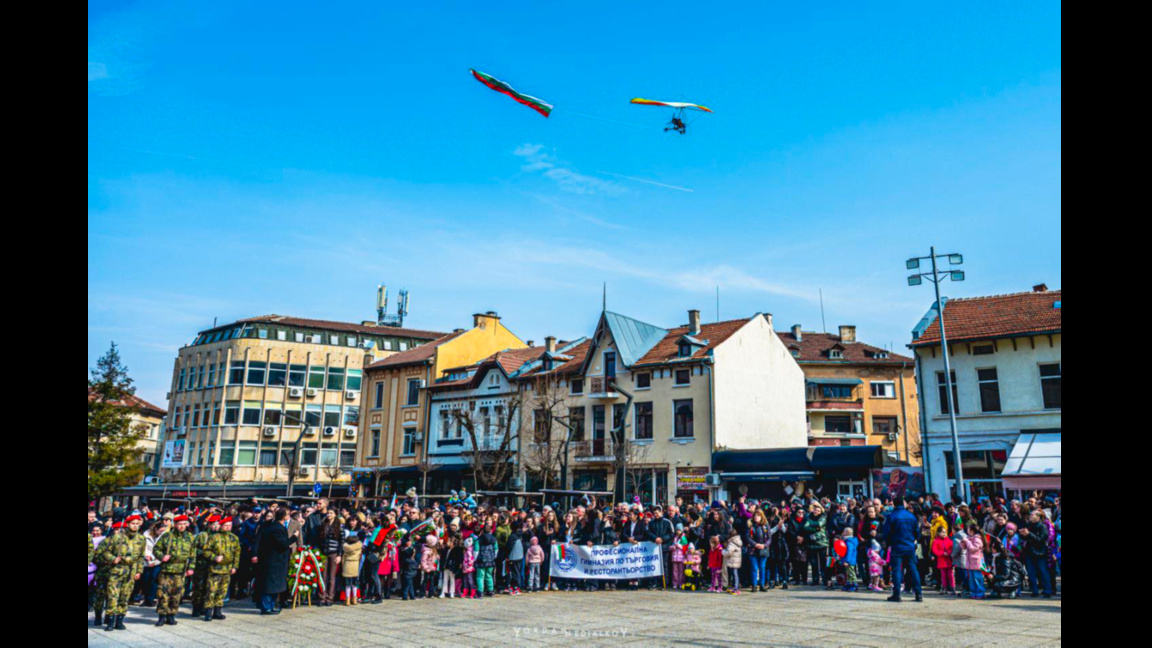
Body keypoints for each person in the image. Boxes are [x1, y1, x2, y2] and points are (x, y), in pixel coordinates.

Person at [94, 515, 146, 632]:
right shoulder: (117, 537)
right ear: (127, 524)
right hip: (116, 571)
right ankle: (110, 621)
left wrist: (139, 571)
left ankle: (119, 621)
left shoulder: (141, 539)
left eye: (137, 524)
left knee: (125, 596)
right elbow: (105, 552)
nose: (135, 526)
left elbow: (141, 557)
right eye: (133, 523)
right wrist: (113, 558)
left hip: (130, 572)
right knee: (113, 596)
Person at [152, 515, 195, 626]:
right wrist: (162, 557)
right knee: (163, 593)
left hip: (181, 571)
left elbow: (193, 554)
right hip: (167, 570)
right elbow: (156, 549)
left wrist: (191, 568)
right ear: (175, 525)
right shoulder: (167, 536)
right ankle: (162, 616)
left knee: (177, 594)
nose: (182, 526)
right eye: (180, 524)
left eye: (184, 524)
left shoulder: (190, 537)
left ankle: (171, 615)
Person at [882, 497, 922, 603]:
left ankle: (897, 594)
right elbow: (917, 532)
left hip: (897, 546)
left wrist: (889, 543)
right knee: (913, 569)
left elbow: (886, 533)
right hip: (909, 546)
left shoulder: (891, 516)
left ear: (894, 505)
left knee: (896, 570)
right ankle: (918, 594)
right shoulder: (911, 516)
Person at [201, 517, 240, 622]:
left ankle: (217, 611)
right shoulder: (214, 537)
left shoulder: (234, 538)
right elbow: (206, 551)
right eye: (226, 525)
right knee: (211, 590)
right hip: (215, 568)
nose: (228, 528)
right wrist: (214, 557)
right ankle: (208, 611)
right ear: (221, 525)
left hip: (227, 569)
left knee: (222, 591)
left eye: (230, 526)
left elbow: (237, 553)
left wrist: (235, 566)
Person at [255, 508, 292, 616]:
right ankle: (266, 607)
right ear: (284, 516)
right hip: (273, 561)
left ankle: (271, 606)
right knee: (269, 585)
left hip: (277, 561)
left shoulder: (276, 526)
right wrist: (294, 536)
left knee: (275, 585)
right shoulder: (276, 528)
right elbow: (284, 544)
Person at [1020, 511, 1054, 598]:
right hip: (1029, 552)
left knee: (1043, 571)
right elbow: (1027, 538)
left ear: (1038, 517)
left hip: (1039, 553)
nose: (1030, 516)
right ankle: (1034, 591)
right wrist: (1023, 534)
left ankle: (1047, 590)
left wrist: (1029, 534)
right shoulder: (1029, 525)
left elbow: (1040, 540)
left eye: (1032, 515)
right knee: (1031, 573)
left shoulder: (1042, 527)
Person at [963, 523, 986, 600]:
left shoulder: (977, 539)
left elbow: (973, 549)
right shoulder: (969, 538)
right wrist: (963, 542)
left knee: (978, 578)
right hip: (970, 563)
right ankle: (973, 593)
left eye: (968, 529)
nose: (967, 530)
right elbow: (964, 548)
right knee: (971, 579)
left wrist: (967, 541)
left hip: (976, 562)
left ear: (972, 531)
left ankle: (980, 593)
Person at [931, 526, 956, 596]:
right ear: (938, 533)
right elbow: (935, 550)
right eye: (942, 532)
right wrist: (942, 553)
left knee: (951, 574)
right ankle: (944, 587)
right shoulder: (936, 541)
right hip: (941, 560)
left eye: (945, 532)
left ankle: (952, 587)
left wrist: (948, 552)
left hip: (948, 560)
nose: (944, 534)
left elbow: (952, 548)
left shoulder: (949, 540)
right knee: (943, 575)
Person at [342, 533, 363, 606]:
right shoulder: (359, 548)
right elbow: (360, 557)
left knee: (347, 585)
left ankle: (347, 600)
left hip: (347, 565)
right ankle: (354, 599)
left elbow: (343, 559)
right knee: (355, 585)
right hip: (355, 566)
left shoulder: (346, 549)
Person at [841, 529, 860, 593]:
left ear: (847, 533)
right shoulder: (847, 540)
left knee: (851, 573)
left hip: (850, 561)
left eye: (844, 532)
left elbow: (849, 552)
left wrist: (847, 561)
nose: (843, 533)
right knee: (848, 573)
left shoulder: (849, 542)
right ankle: (849, 584)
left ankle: (854, 585)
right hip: (848, 560)